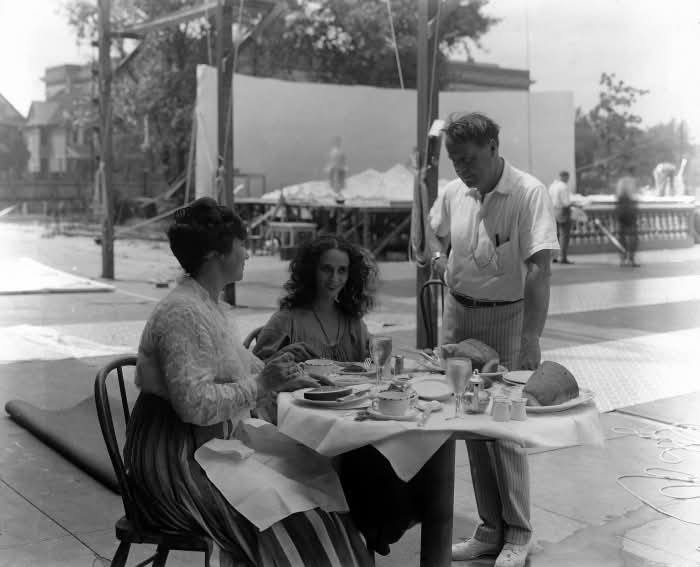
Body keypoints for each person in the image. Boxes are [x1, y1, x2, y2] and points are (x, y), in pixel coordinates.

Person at [125, 197, 372, 567]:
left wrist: (286, 374)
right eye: (242, 245)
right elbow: (194, 405)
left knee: (321, 490)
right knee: (295, 517)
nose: (247, 254)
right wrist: (263, 384)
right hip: (173, 459)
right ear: (215, 254)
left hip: (204, 445)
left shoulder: (206, 304)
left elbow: (246, 365)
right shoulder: (183, 313)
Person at [429, 113, 559, 567]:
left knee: (505, 427)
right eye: (454, 160)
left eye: (468, 159)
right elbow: (438, 234)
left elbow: (540, 268)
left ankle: (519, 534)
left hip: (506, 318)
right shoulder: (452, 192)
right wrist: (441, 257)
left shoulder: (528, 192)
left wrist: (531, 337)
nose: (461, 168)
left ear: (493, 147)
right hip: (458, 314)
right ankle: (489, 529)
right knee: (470, 424)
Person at [254, 236, 419, 555]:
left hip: (348, 416)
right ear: (310, 272)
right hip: (299, 424)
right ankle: (373, 525)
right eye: (326, 269)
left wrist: (380, 364)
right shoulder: (286, 319)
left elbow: (371, 364)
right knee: (371, 456)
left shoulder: (351, 321)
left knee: (397, 442)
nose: (334, 279)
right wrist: (291, 366)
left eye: (342, 271)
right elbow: (260, 372)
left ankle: (376, 524)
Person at [616, 168, 640, 267]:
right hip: (630, 210)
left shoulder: (620, 181)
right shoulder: (632, 182)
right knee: (633, 237)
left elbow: (618, 195)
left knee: (621, 236)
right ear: (632, 173)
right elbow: (633, 196)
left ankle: (622, 258)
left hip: (621, 210)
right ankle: (631, 258)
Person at [548, 170, 574, 264]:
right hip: (562, 211)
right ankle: (563, 257)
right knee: (564, 235)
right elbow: (566, 202)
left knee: (555, 235)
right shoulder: (563, 187)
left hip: (553, 210)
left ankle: (553, 257)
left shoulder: (552, 186)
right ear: (565, 177)